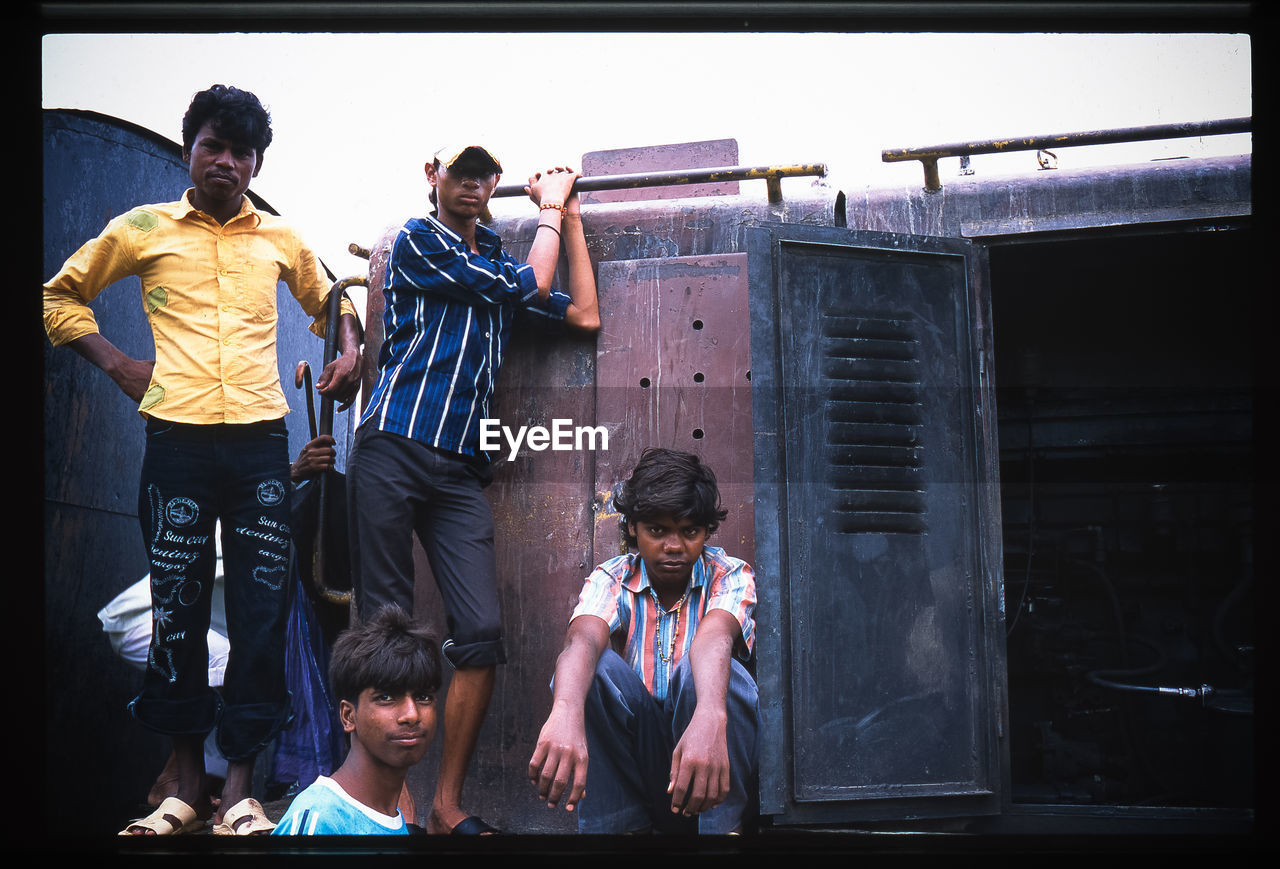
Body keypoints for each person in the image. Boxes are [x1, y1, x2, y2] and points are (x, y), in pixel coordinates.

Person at [43, 84, 363, 837]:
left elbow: (330, 301)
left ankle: (241, 794)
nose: (226, 162)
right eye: (213, 146)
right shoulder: (143, 227)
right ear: (190, 149)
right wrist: (122, 366)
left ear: (255, 164)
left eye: (241, 153)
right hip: (176, 441)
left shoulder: (279, 241)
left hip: (258, 446)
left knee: (261, 615)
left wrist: (349, 347)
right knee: (177, 613)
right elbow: (60, 299)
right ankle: (182, 789)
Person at [346, 143, 600, 835]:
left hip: (458, 468)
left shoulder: (494, 265)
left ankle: (444, 806)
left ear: (493, 184)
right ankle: (389, 801)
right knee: (385, 631)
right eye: (459, 172)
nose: (472, 184)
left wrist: (568, 213)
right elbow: (526, 287)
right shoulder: (416, 240)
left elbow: (581, 315)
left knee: (481, 630)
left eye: (484, 174)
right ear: (434, 176)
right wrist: (547, 208)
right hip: (392, 448)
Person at [96, 435, 343, 809]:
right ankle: (175, 781)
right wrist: (291, 473)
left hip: (198, 638)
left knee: (246, 667)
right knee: (241, 668)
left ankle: (194, 788)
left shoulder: (280, 563)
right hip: (138, 628)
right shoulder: (242, 533)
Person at [528, 448, 759, 834]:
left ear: (706, 531)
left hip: (714, 764)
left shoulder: (729, 573)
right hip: (649, 769)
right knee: (593, 669)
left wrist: (709, 715)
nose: (674, 546)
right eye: (657, 531)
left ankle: (721, 834)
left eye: (690, 532)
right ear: (633, 527)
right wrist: (565, 711)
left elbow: (715, 638)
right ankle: (617, 833)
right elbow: (581, 642)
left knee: (724, 677)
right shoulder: (613, 577)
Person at [273, 605, 441, 836]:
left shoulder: (394, 822)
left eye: (424, 697)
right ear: (348, 716)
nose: (412, 714)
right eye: (386, 697)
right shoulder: (318, 819)